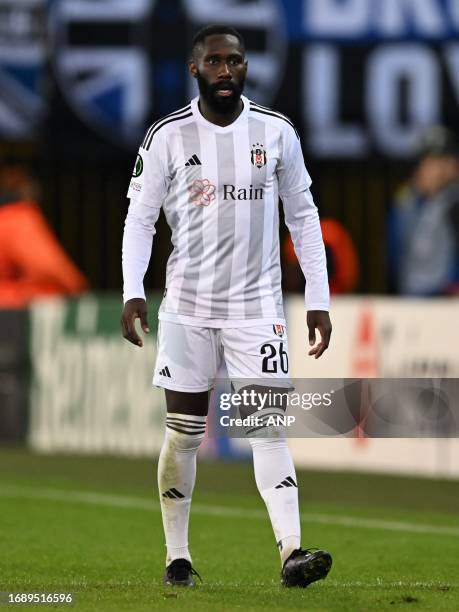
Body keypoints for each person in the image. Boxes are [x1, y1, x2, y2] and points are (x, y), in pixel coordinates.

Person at [121, 25, 332, 588]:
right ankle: (177, 556)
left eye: (234, 61)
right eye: (214, 61)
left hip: (257, 308)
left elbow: (304, 217)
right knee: (186, 433)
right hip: (188, 308)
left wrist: (318, 296)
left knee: (268, 428)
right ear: (195, 69)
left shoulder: (276, 133)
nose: (225, 70)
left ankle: (291, 552)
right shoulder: (167, 137)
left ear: (244, 69)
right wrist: (132, 289)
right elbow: (139, 219)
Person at [0, 161, 88, 307]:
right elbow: (53, 270)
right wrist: (82, 293)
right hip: (8, 316)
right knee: (49, 293)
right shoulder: (16, 217)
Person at [388, 126, 459, 295]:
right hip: (411, 298)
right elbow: (393, 257)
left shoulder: (455, 202)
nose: (433, 169)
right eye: (427, 161)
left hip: (447, 299)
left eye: (440, 160)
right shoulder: (406, 204)